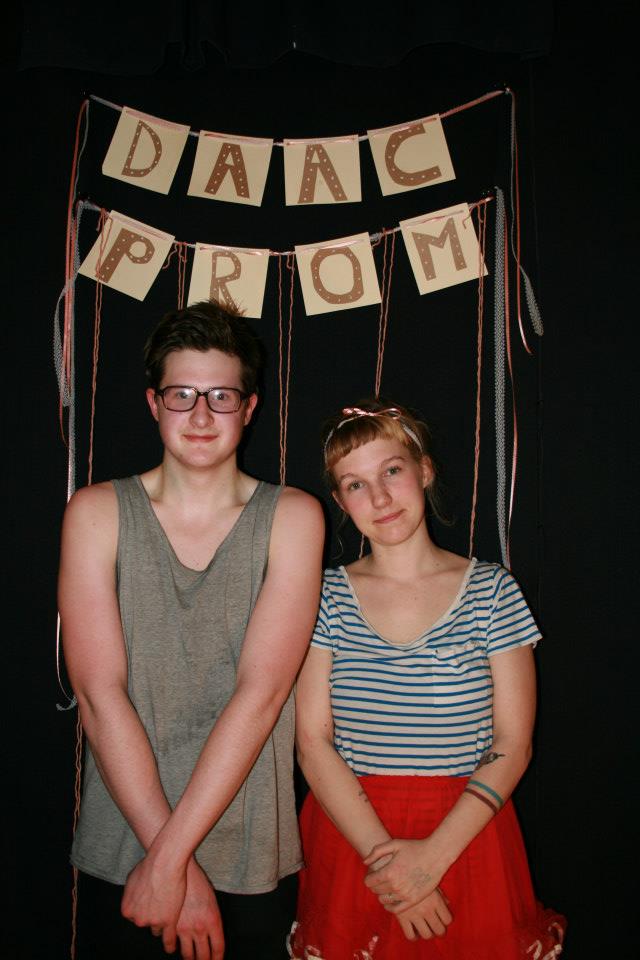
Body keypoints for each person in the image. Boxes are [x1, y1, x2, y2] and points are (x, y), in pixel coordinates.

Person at [58, 300, 324, 960]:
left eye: (220, 396)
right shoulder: (96, 513)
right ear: (153, 403)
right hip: (125, 851)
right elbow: (98, 694)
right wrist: (169, 861)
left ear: (249, 407)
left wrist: (172, 862)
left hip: (248, 850)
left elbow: (261, 695)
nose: (201, 415)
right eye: (182, 395)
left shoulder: (293, 516)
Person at [289, 400, 566, 960]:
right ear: (340, 501)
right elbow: (313, 742)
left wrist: (432, 860)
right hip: (354, 830)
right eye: (355, 484)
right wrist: (391, 868)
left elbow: (512, 744)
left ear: (425, 469)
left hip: (465, 832)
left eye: (391, 470)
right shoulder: (321, 593)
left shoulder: (492, 591)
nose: (381, 498)